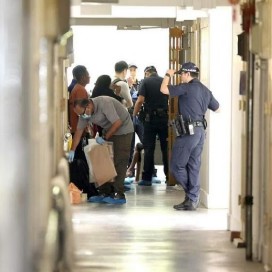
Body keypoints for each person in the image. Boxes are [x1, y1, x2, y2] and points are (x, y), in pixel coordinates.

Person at [160, 62, 220, 211]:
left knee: (176, 165)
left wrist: (168, 74)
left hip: (188, 132)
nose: (180, 76)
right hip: (200, 131)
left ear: (187, 74)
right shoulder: (205, 90)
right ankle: (191, 200)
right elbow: (217, 108)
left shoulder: (186, 88)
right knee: (193, 166)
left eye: (181, 74)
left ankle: (193, 196)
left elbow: (163, 89)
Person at [68, 96, 134, 204]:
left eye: (82, 113)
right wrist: (72, 150)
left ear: (88, 105)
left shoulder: (105, 103)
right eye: (79, 114)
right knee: (104, 162)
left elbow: (118, 123)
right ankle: (104, 192)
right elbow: (78, 132)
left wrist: (104, 137)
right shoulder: (84, 114)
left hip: (123, 131)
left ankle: (119, 194)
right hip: (109, 130)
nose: (82, 116)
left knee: (119, 161)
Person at [133, 65, 169, 186]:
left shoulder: (145, 81)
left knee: (149, 148)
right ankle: (169, 176)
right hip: (164, 118)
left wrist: (134, 114)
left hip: (150, 119)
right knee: (166, 148)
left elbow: (140, 100)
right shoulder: (164, 81)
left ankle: (147, 178)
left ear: (147, 73)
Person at [126, 64, 144, 174]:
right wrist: (128, 86)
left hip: (140, 117)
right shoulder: (125, 84)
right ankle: (129, 168)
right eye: (131, 70)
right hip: (129, 116)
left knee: (145, 141)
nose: (133, 72)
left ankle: (147, 168)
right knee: (130, 143)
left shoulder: (141, 83)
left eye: (134, 70)